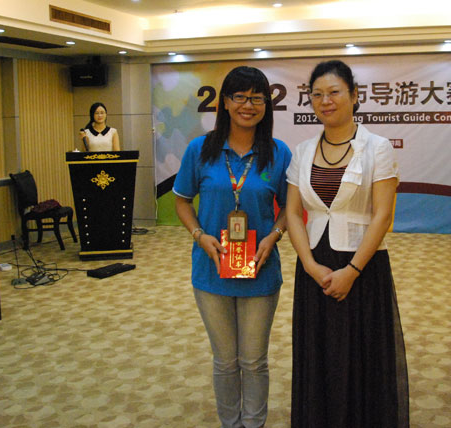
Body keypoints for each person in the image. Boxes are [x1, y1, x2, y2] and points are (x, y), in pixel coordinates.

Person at [286, 60, 409, 428]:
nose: (325, 101)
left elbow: (382, 215)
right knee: (319, 353)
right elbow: (292, 212)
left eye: (334, 92)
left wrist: (352, 271)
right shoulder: (303, 150)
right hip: (315, 265)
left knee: (360, 354)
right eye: (317, 94)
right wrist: (309, 265)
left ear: (354, 95)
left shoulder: (378, 147)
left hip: (362, 266)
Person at [173, 66, 292, 428]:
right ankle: (231, 423)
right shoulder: (200, 149)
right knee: (225, 361)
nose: (248, 105)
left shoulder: (278, 152)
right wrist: (199, 235)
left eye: (257, 98)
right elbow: (182, 201)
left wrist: (274, 235)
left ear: (266, 105)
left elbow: (290, 207)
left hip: (260, 270)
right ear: (224, 102)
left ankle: (253, 424)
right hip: (212, 271)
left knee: (253, 360)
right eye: (239, 96)